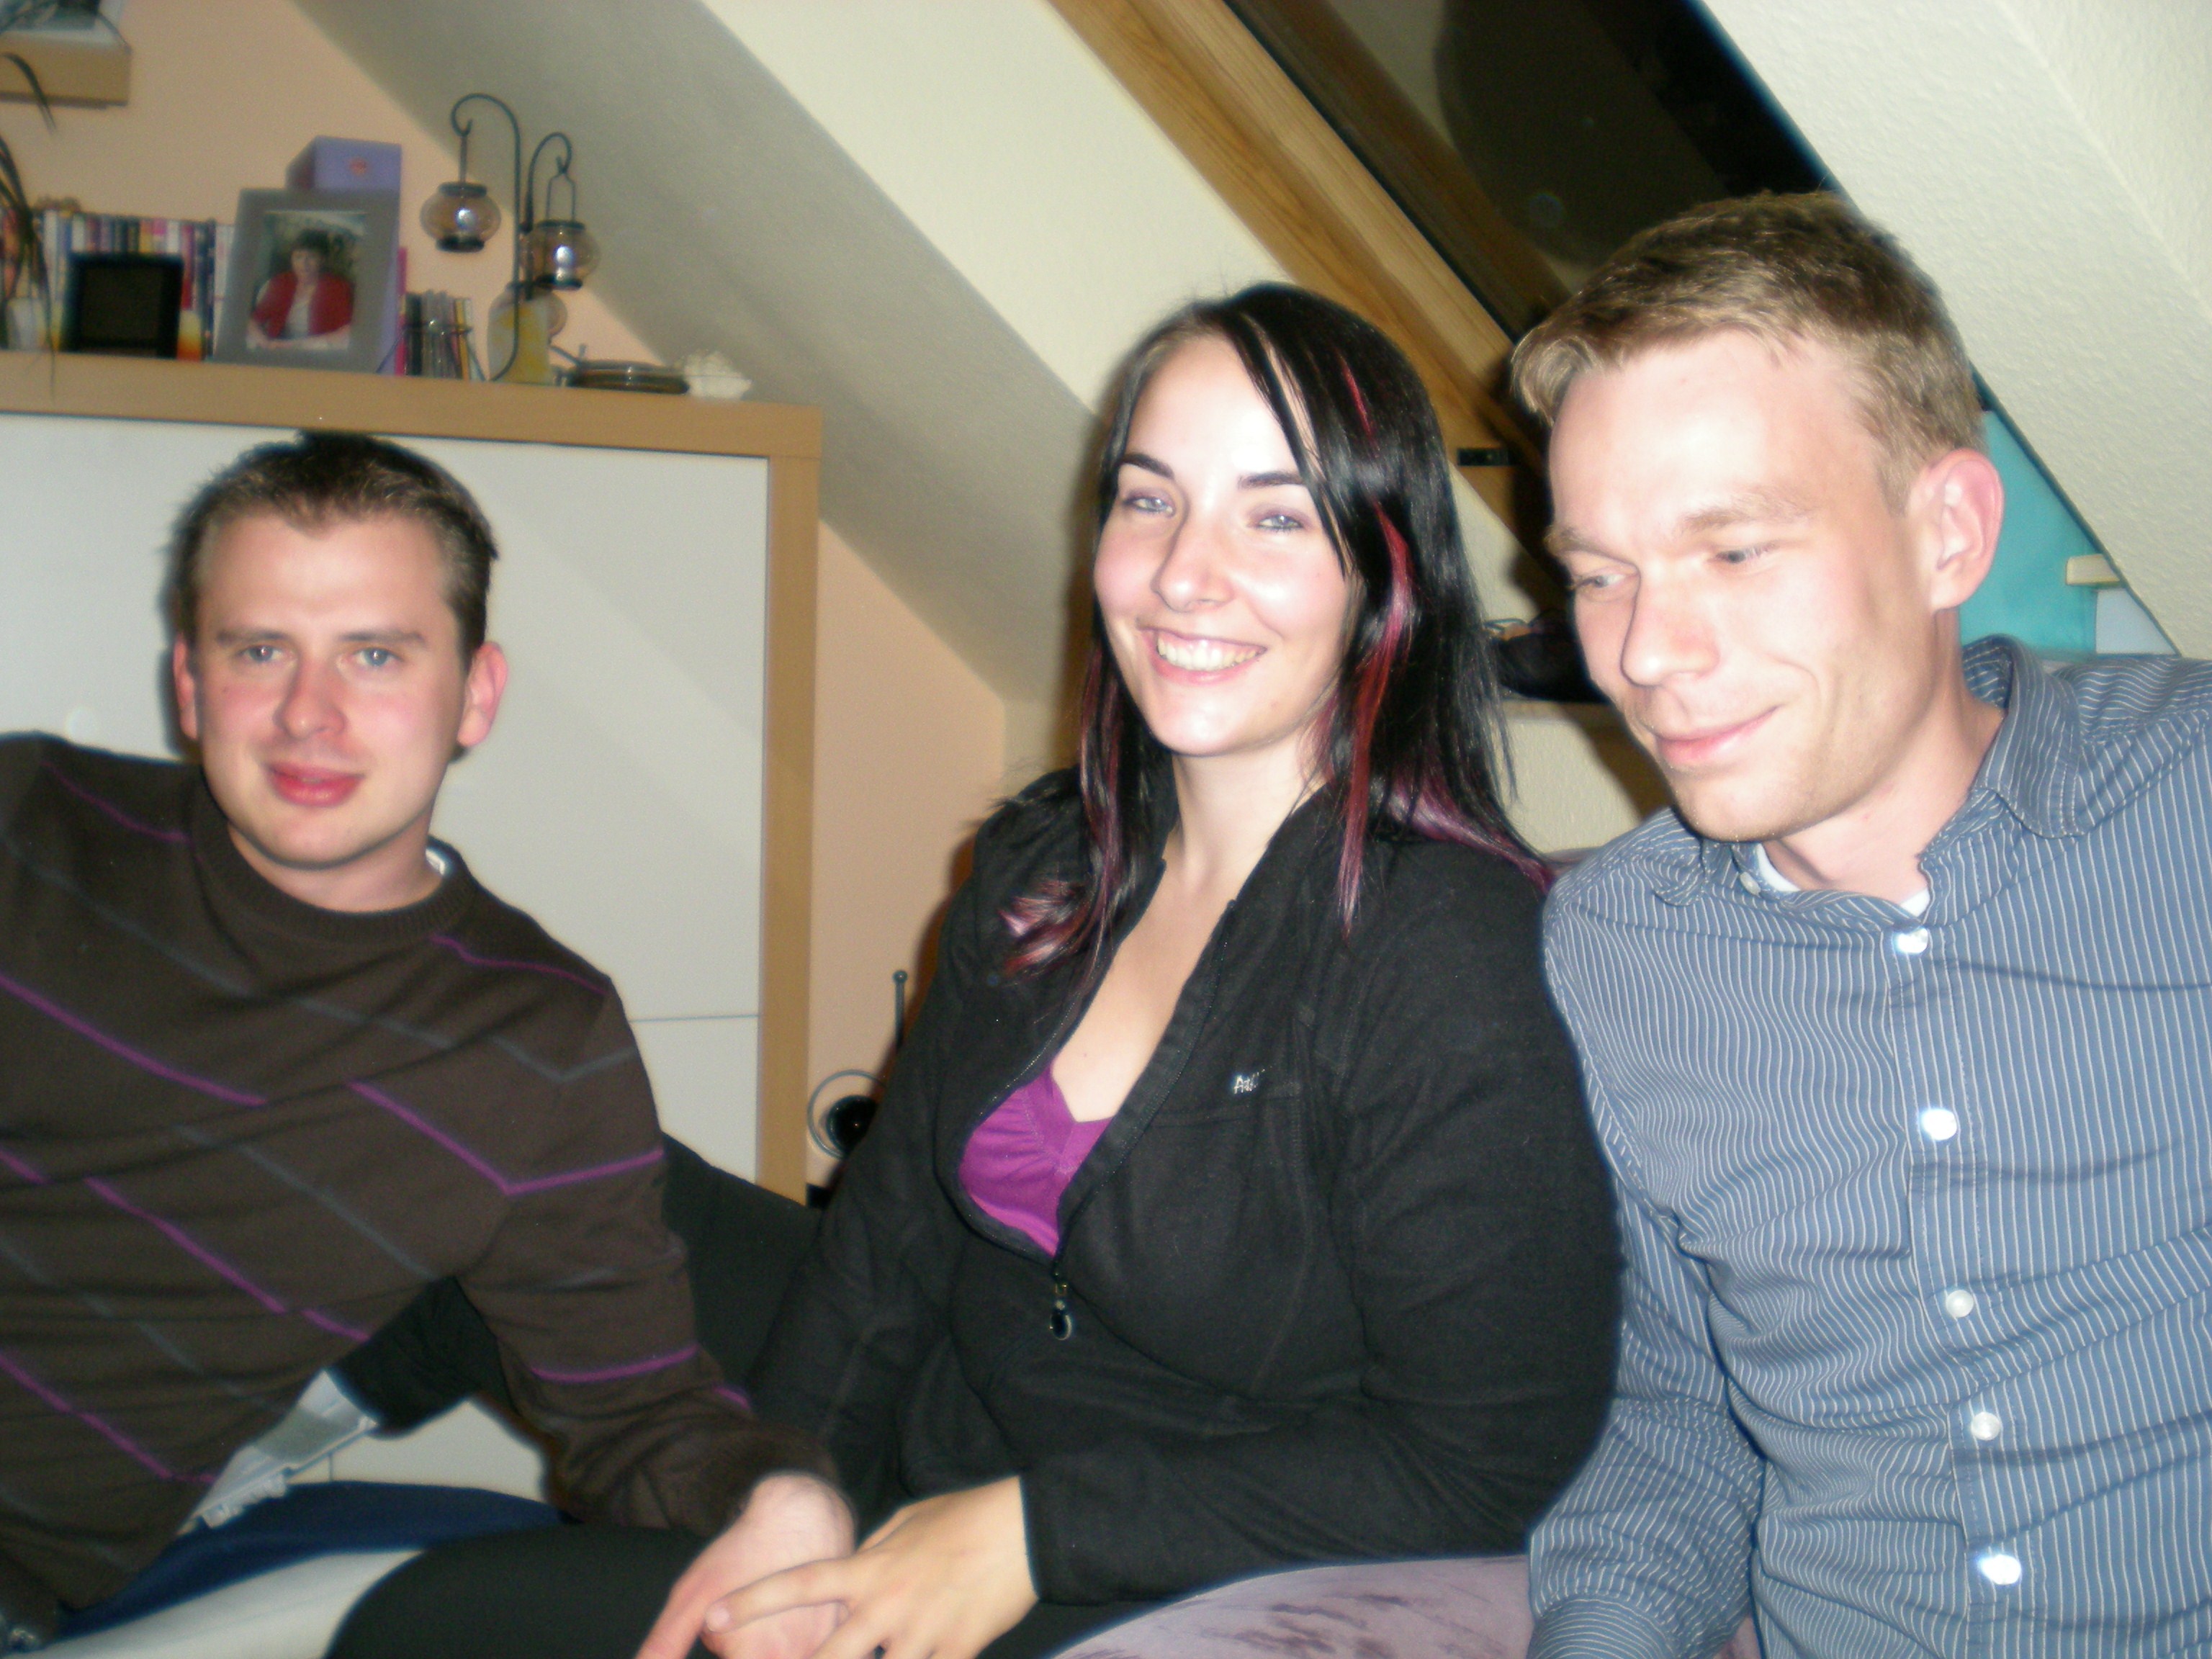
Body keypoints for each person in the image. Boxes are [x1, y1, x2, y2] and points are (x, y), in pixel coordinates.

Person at [335, 283, 1620, 1659]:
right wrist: (790, 1491)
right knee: (496, 1149)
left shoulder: (1449, 956)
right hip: (959, 1399)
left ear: (1385, 575)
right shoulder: (1049, 861)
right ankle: (245, 1431)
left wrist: (1032, 1532)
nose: (1183, 573)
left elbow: (1490, 1455)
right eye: (1149, 499)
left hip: (1159, 1547)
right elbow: (891, 1240)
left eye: (1276, 516)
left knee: (432, 1620)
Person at [1505, 192, 2212, 1656]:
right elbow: (1676, 1417)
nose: (1647, 653)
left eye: (1733, 551)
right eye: (1599, 575)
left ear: (1947, 532)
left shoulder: (2189, 801)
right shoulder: (1615, 947)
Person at [0, 433, 829, 1647]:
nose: (308, 714)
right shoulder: (28, 824)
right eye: (260, 649)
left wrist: (779, 1500)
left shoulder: (536, 1040)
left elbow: (637, 1414)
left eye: (375, 655)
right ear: (189, 682)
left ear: (476, 695)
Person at [246, 230, 354, 347]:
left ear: (322, 260)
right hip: (277, 346)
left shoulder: (338, 287)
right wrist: (265, 343)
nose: (304, 263)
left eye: (312, 257)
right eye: (298, 257)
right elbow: (254, 321)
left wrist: (293, 345)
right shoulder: (280, 282)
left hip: (317, 350)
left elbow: (347, 331)